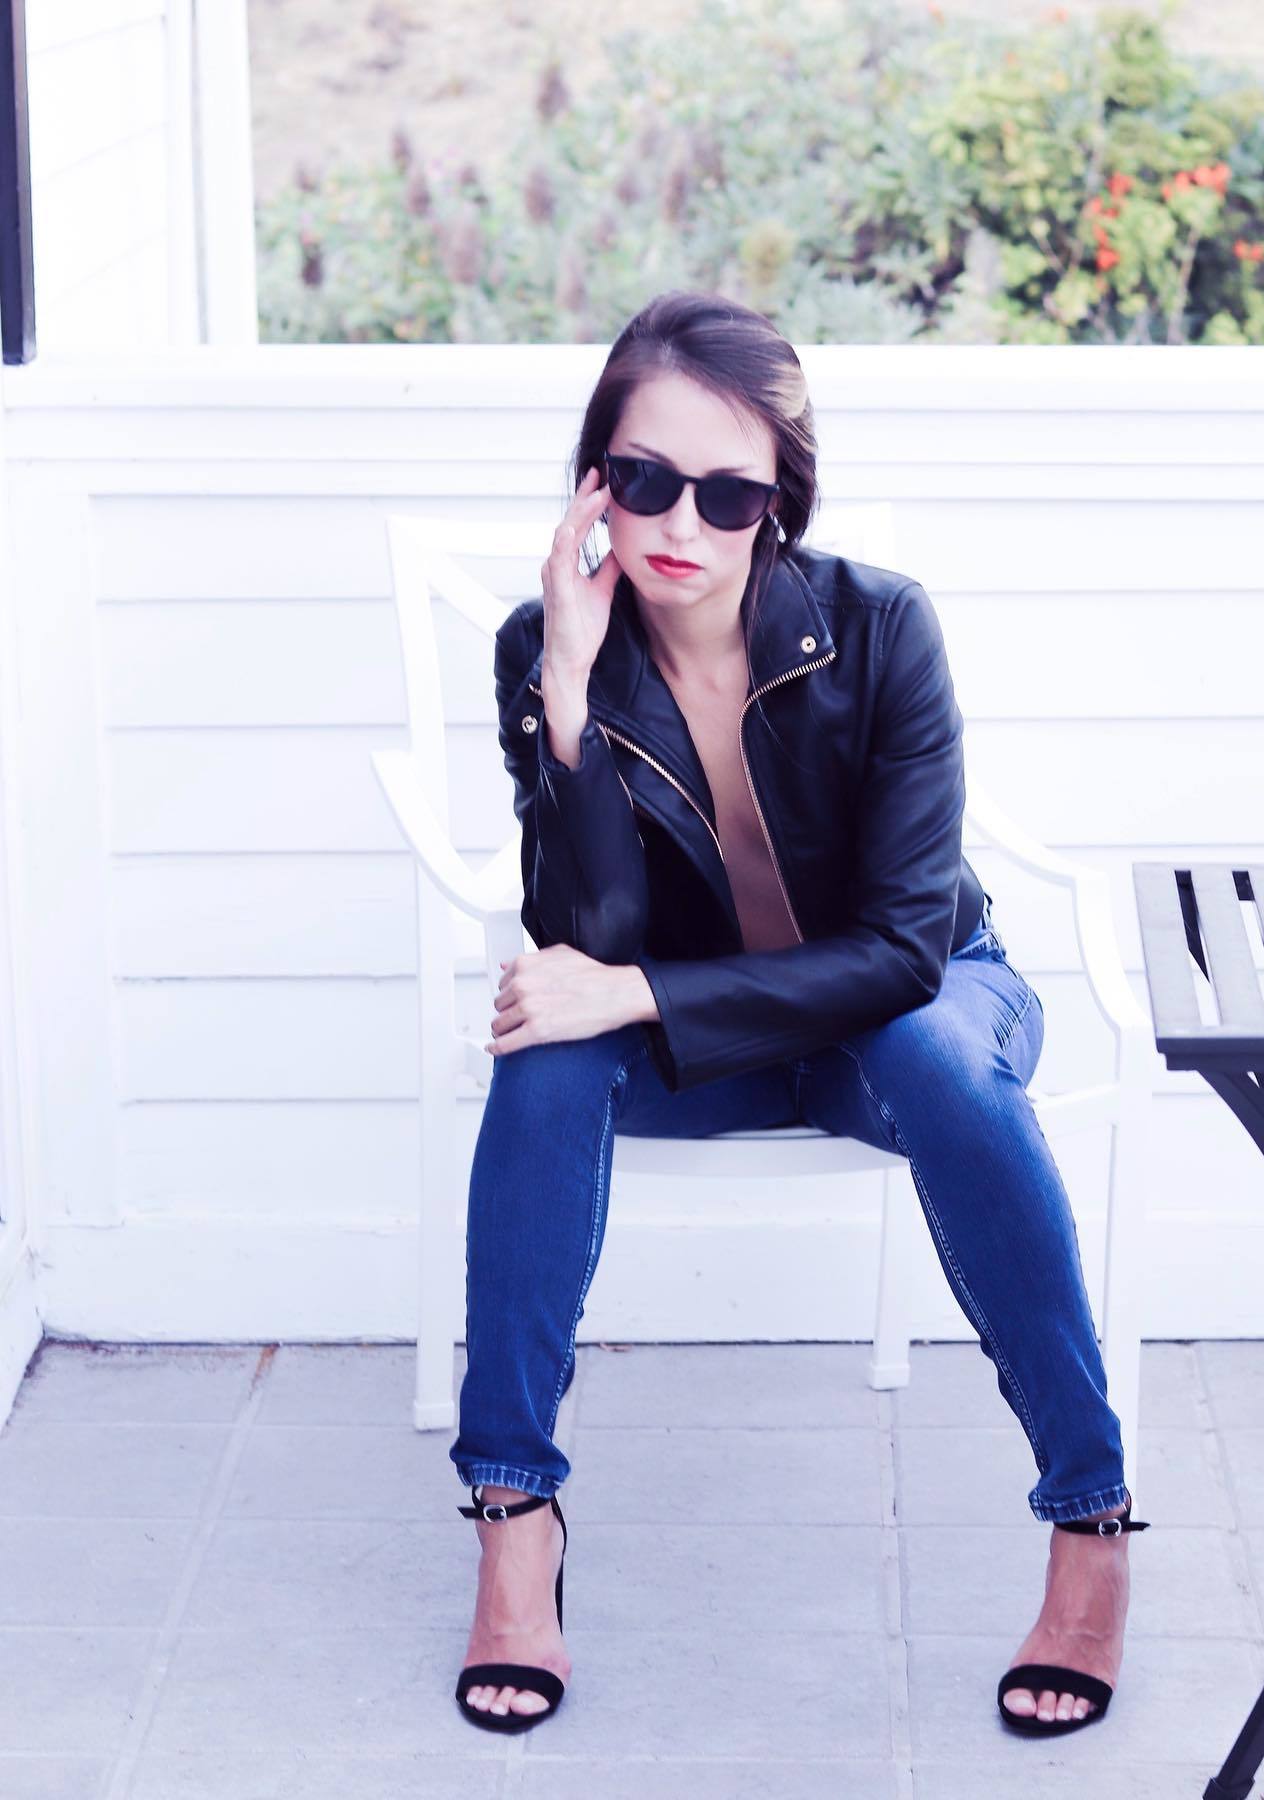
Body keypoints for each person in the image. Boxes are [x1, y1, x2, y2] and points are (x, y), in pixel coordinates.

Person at [449, 289, 1148, 1739]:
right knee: (542, 1061)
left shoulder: (881, 627)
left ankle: (1090, 1516)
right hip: (707, 1041)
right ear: (594, 480)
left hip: (916, 1001)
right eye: (644, 479)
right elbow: (592, 939)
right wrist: (570, 688)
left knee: (933, 1055)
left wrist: (635, 993)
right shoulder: (548, 645)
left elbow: (899, 952)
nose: (680, 524)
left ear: (781, 499)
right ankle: (513, 1518)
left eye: (728, 492)